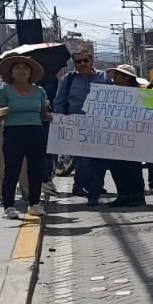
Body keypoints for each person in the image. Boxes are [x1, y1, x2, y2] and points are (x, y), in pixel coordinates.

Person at [0, 53, 50, 219]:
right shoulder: (3, 90)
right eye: (17, 68)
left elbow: (44, 113)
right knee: (12, 169)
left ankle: (34, 203)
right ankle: (9, 206)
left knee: (36, 169)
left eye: (25, 68)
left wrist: (55, 117)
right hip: (13, 132)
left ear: (31, 73)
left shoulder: (39, 91)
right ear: (11, 73)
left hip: (35, 131)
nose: (21, 71)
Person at [53, 47, 103, 204]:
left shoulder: (104, 78)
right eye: (78, 61)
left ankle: (93, 187)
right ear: (74, 64)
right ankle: (92, 193)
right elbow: (59, 102)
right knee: (84, 161)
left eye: (85, 60)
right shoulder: (67, 80)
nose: (82, 64)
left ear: (91, 61)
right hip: (77, 127)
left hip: (101, 127)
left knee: (99, 161)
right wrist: (61, 123)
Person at [101, 65, 150, 208]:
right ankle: (123, 194)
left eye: (117, 75)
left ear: (126, 77)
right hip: (114, 134)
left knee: (132, 166)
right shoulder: (109, 93)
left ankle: (138, 196)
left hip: (133, 135)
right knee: (116, 166)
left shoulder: (141, 93)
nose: (114, 78)